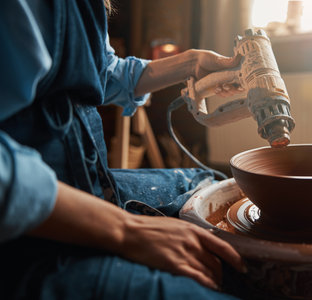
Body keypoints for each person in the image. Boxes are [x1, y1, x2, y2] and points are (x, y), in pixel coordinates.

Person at [0, 0, 246, 299]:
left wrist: (191, 63)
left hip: (86, 185)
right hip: (30, 234)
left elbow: (101, 72)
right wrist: (125, 230)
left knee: (211, 185)